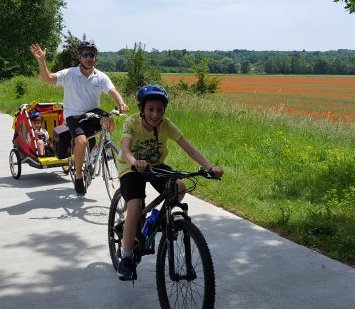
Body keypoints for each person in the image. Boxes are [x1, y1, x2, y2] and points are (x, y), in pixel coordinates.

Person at [115, 84, 224, 281]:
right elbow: (125, 150)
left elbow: (189, 149)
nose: (155, 114)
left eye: (160, 110)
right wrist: (134, 163)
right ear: (141, 109)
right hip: (130, 167)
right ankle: (127, 257)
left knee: (179, 186)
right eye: (150, 109)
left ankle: (153, 220)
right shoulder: (131, 123)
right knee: (134, 205)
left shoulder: (167, 125)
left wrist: (209, 167)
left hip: (156, 165)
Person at [30, 40, 129, 195]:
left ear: (95, 57)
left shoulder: (100, 76)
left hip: (92, 112)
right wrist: (42, 61)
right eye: (85, 54)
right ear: (79, 57)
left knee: (110, 120)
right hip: (74, 115)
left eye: (91, 54)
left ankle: (100, 149)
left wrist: (121, 104)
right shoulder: (70, 74)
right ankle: (78, 176)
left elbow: (112, 91)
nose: (88, 57)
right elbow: (48, 78)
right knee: (81, 142)